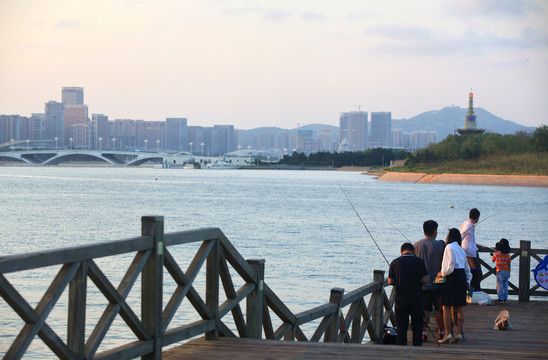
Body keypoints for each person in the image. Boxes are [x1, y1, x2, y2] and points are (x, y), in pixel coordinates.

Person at [388, 242, 429, 346]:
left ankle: (402, 349)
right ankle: (416, 348)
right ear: (413, 251)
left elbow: (390, 281)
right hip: (416, 298)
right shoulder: (419, 261)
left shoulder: (395, 262)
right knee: (417, 326)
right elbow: (426, 279)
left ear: (401, 251)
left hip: (401, 298)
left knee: (402, 327)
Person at [437, 228, 472, 344]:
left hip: (452, 278)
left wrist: (442, 273)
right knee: (460, 306)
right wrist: (468, 280)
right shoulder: (461, 250)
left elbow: (450, 265)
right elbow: (467, 268)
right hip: (461, 277)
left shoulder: (449, 247)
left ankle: (448, 333)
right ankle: (459, 332)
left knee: (446, 306)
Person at [414, 220, 446, 342]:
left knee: (425, 309)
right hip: (438, 283)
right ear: (434, 231)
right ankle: (441, 333)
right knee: (439, 309)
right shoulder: (440, 245)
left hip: (422, 283)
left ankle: (423, 333)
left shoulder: (416, 245)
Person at [460, 208, 482, 293]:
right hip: (470, 253)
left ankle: (471, 292)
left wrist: (475, 244)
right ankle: (472, 293)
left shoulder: (467, 223)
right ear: (477, 218)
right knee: (477, 275)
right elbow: (462, 235)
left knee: (474, 274)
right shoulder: (468, 225)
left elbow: (468, 239)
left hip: (470, 250)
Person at [492, 238, 511, 303]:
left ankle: (500, 298)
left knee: (499, 285)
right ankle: (505, 298)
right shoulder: (508, 255)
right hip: (507, 271)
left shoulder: (497, 254)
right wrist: (509, 272)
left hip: (499, 271)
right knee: (505, 285)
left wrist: (495, 252)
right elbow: (509, 263)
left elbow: (493, 260)